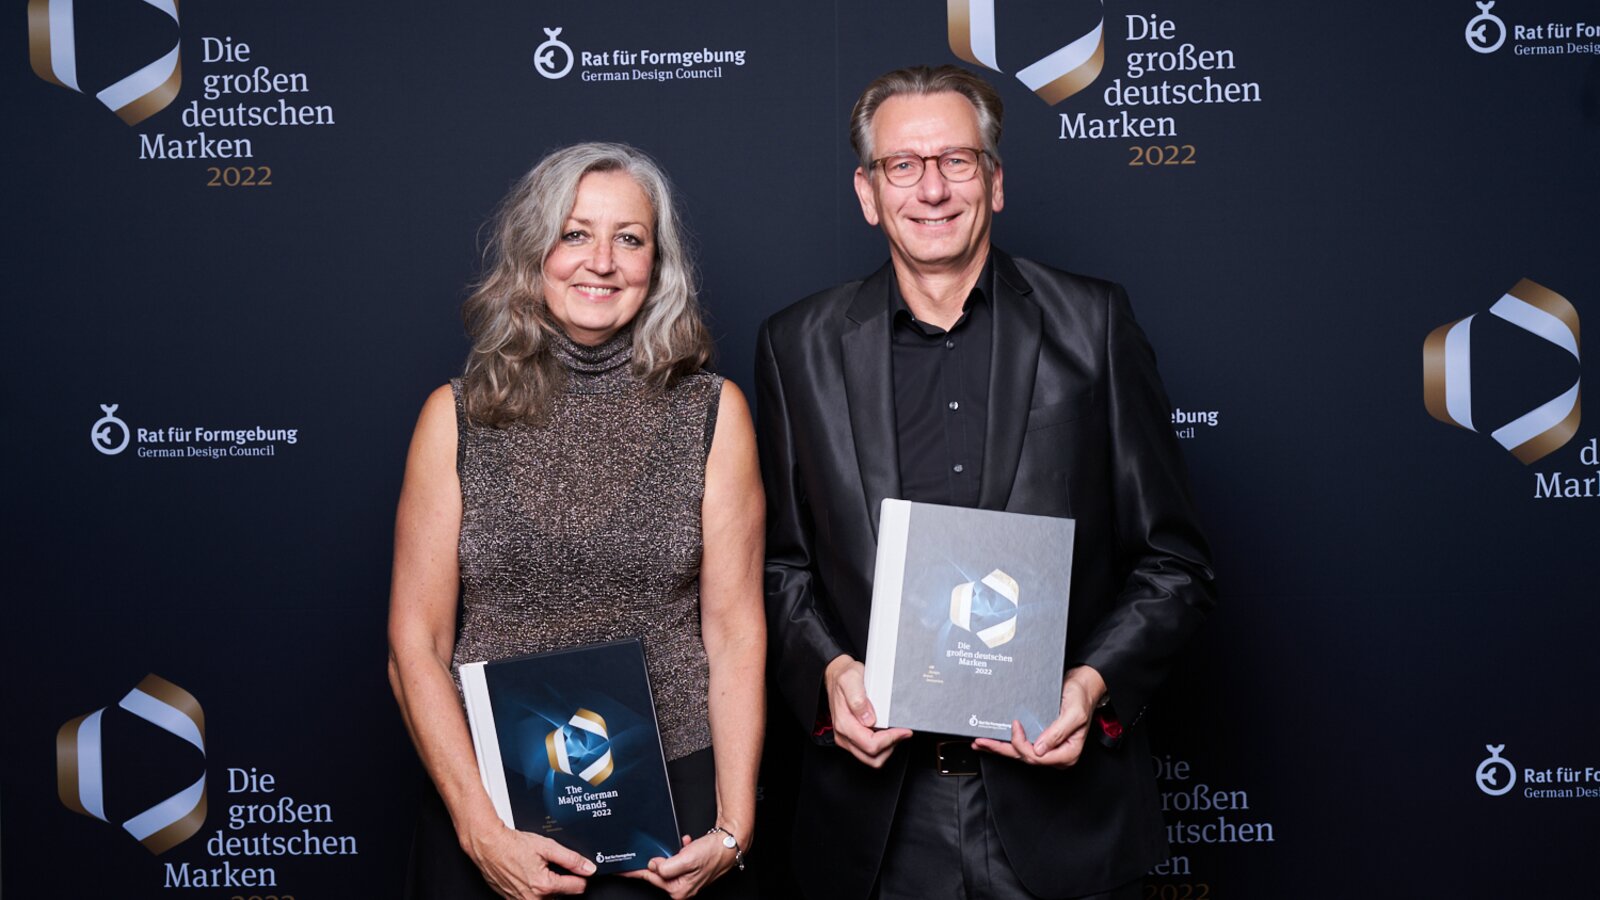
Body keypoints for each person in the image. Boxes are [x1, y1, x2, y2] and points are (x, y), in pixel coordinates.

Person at [756, 66, 1216, 899]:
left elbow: (1172, 561)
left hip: (1061, 814)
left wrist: (1090, 687)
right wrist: (828, 673)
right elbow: (782, 567)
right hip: (876, 824)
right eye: (903, 165)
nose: (931, 189)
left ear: (995, 182)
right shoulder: (797, 347)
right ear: (868, 193)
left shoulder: (1095, 324)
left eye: (957, 161)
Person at [388, 142, 765, 900]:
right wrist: (479, 828)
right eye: (575, 234)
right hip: (492, 802)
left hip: (669, 818)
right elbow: (415, 646)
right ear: (535, 254)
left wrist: (734, 825)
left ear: (657, 265)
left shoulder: (713, 413)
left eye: (629, 238)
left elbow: (735, 632)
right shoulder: (454, 417)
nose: (602, 261)